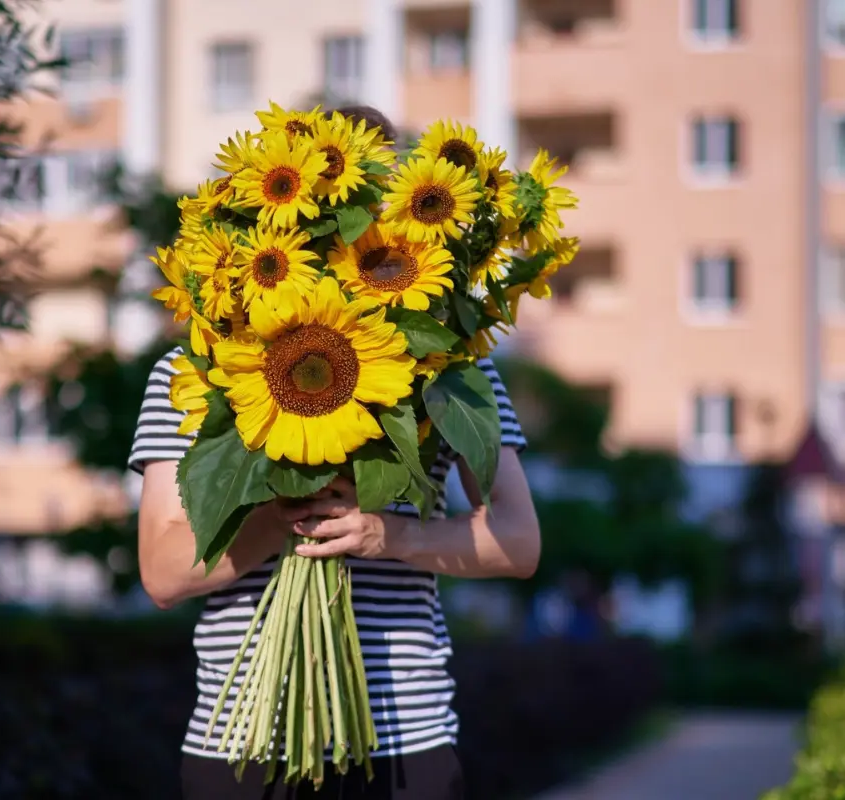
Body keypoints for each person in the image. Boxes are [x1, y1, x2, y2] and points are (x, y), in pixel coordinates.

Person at [128, 105, 541, 800]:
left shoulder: (452, 368)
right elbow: (164, 573)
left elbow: (518, 541)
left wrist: (391, 533)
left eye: (369, 205)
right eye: (328, 205)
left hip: (404, 736)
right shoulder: (197, 369)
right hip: (239, 742)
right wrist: (281, 511)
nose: (351, 226)